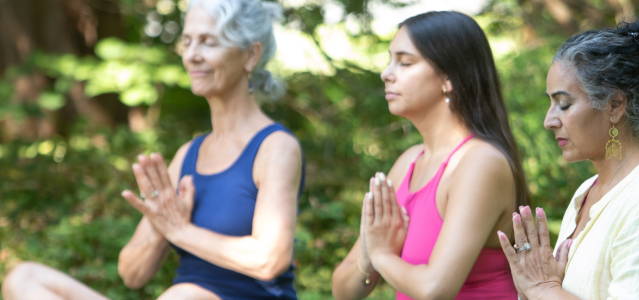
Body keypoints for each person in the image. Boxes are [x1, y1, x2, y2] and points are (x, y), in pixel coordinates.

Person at [0, 0, 303, 299]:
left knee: (185, 295)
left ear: (251, 55)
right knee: (24, 280)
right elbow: (131, 274)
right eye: (187, 42)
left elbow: (269, 260)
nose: (193, 55)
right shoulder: (188, 155)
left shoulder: (276, 148)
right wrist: (162, 228)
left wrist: (180, 231)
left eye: (208, 42)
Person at [496, 17, 639, 300]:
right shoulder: (587, 191)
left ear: (615, 105)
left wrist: (543, 289)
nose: (549, 121)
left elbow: (548, 292)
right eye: (550, 103)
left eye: (564, 104)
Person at [329, 11, 529, 300]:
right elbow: (343, 292)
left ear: (448, 78)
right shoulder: (408, 162)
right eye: (390, 60)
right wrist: (368, 259)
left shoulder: (480, 163)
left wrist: (382, 255)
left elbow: (435, 288)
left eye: (405, 62)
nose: (386, 73)